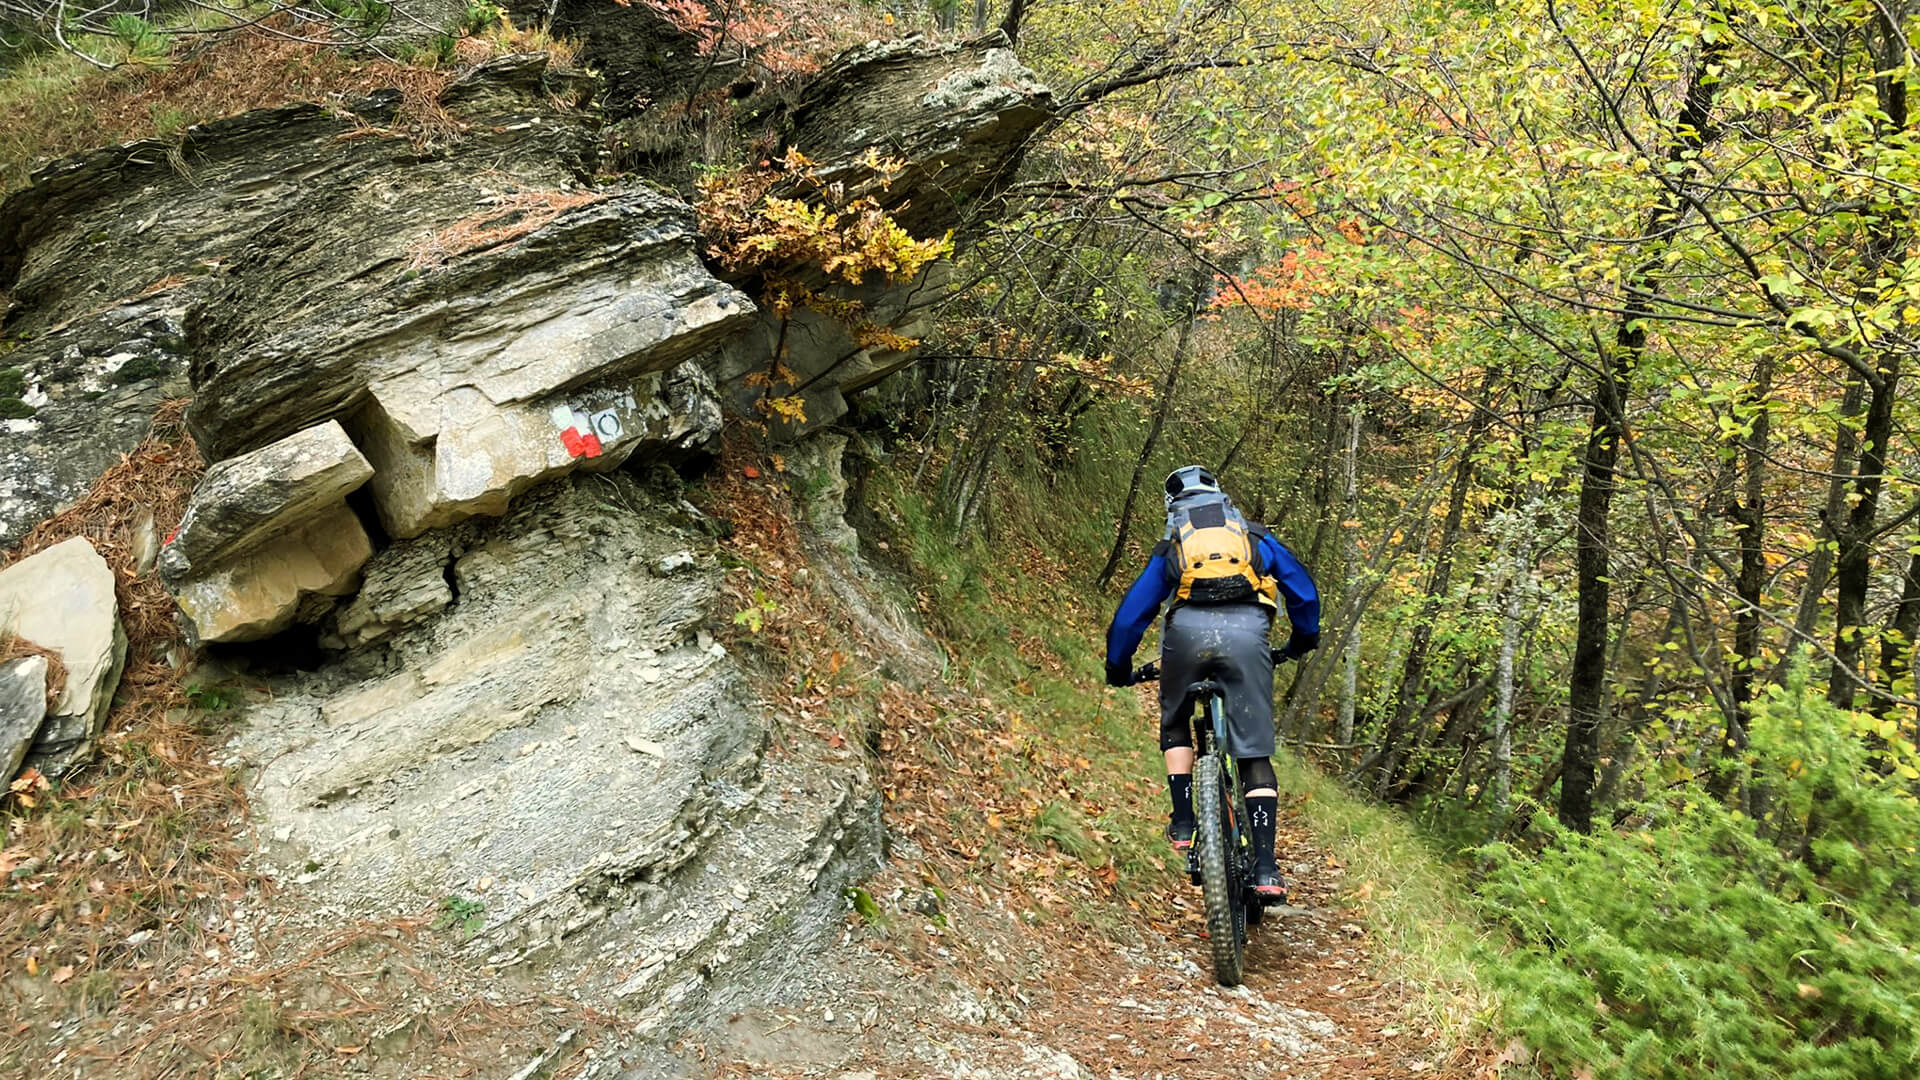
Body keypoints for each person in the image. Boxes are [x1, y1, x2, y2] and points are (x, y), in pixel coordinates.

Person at [1103, 465, 1320, 900]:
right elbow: (1304, 593)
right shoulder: (1254, 538)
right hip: (1247, 640)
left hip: (1185, 641)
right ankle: (1264, 869)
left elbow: (1131, 617)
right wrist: (1302, 641)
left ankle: (1184, 822)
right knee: (1253, 750)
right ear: (1223, 501)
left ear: (1173, 510)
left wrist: (1118, 668)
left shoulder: (1172, 548)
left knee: (1178, 717)